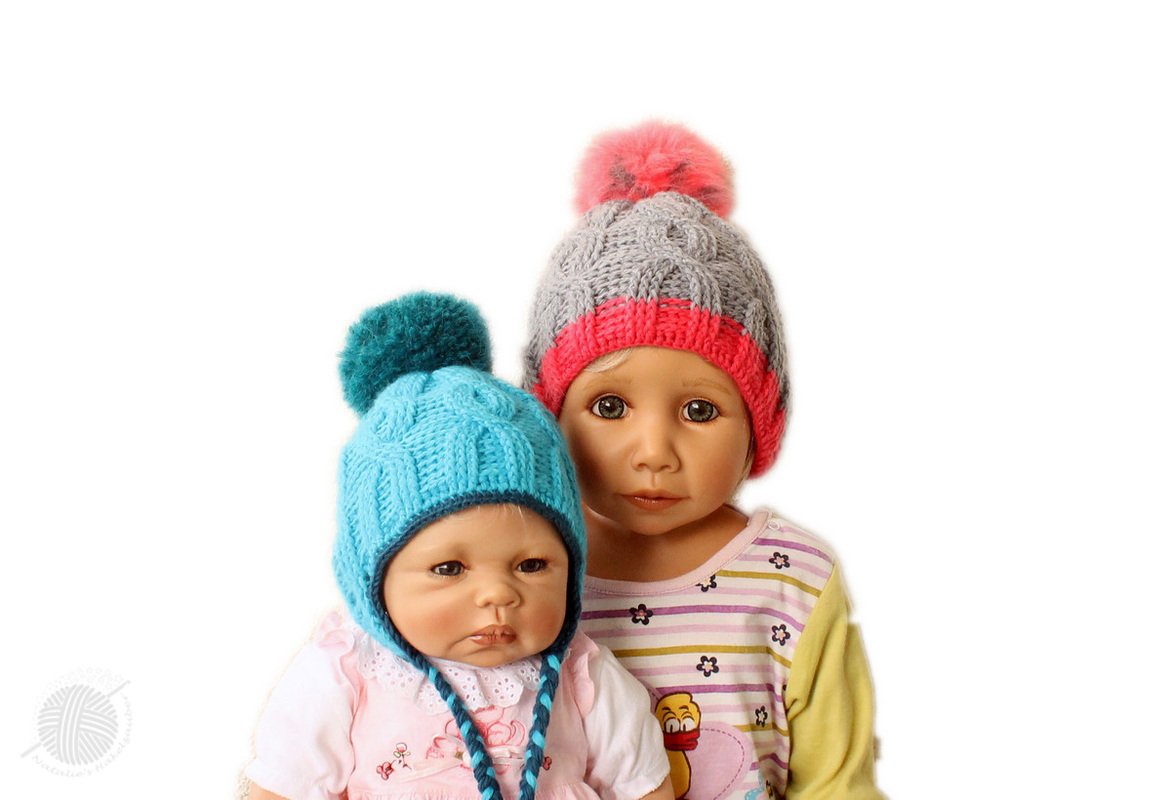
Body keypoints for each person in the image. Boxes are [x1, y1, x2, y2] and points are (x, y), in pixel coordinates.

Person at [523, 122, 885, 800]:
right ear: (548, 417)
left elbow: (837, 783)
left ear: (757, 422)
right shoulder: (523, 568)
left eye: (698, 410)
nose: (653, 453)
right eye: (609, 406)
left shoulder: (794, 581)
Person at [245, 293, 673, 800]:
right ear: (372, 582)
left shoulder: (583, 676)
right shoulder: (346, 670)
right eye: (449, 568)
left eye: (532, 564)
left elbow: (644, 786)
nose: (498, 594)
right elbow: (282, 787)